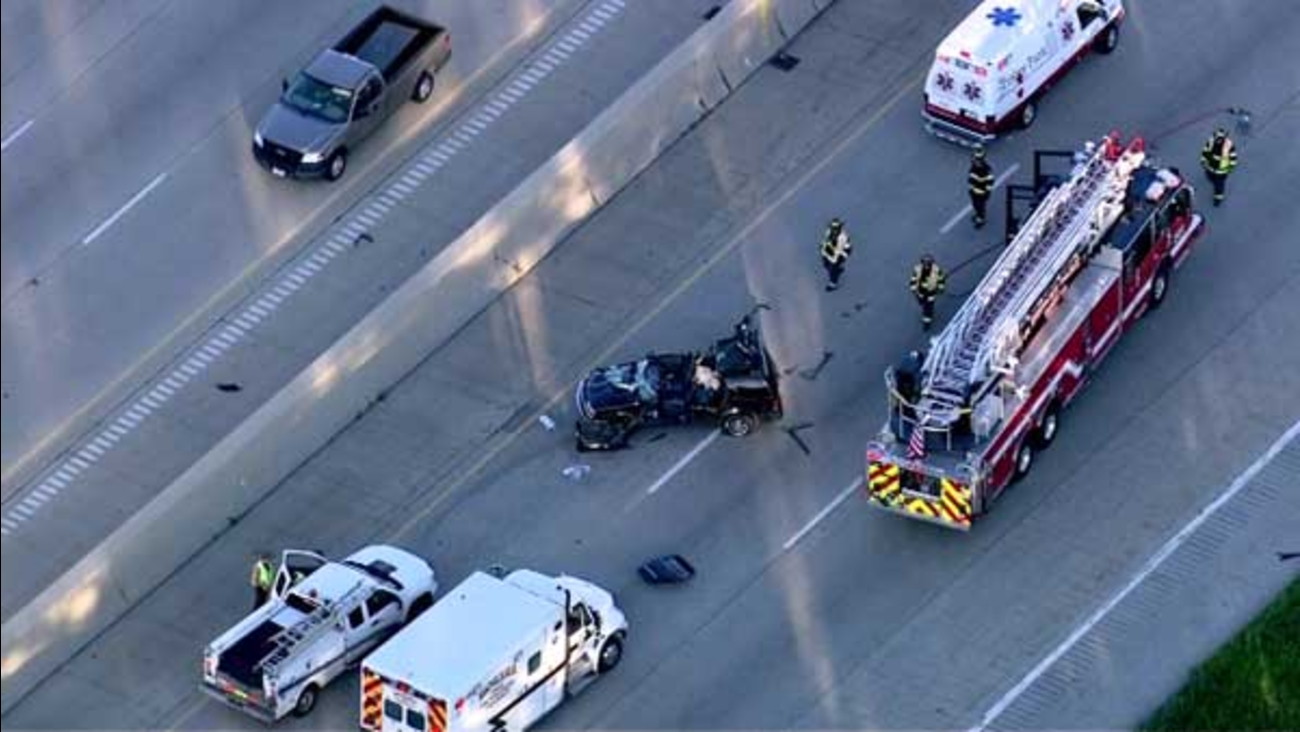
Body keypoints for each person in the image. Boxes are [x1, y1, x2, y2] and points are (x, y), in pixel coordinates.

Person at [1200, 127, 1238, 206]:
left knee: (1219, 186)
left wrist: (1230, 168)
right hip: (1210, 167)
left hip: (1221, 171)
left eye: (1220, 139)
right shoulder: (1211, 141)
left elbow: (1233, 157)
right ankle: (1213, 180)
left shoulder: (1229, 145)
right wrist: (1203, 160)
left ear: (1224, 138)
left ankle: (1218, 199)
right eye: (1217, 138)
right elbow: (1205, 151)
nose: (1218, 140)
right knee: (1209, 178)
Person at [910, 254, 948, 332]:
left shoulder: (936, 270)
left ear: (931, 263)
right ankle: (927, 311)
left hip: (931, 293)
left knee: (928, 309)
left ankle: (927, 322)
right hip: (920, 292)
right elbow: (913, 279)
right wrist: (913, 289)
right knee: (922, 303)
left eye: (928, 264)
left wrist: (941, 288)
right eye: (925, 263)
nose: (927, 266)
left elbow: (941, 280)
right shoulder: (917, 269)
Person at [820, 218, 852, 291]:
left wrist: (841, 257)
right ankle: (838, 269)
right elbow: (826, 240)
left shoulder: (843, 237)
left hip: (839, 254)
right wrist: (823, 247)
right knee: (826, 265)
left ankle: (833, 284)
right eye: (833, 228)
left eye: (836, 228)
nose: (834, 230)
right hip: (828, 251)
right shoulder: (829, 231)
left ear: (840, 228)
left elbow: (845, 250)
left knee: (833, 268)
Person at [968, 145, 995, 228]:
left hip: (981, 193)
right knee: (975, 205)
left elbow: (990, 182)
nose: (973, 161)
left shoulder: (986, 170)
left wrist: (987, 193)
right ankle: (978, 215)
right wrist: (971, 188)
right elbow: (971, 178)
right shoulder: (973, 167)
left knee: (980, 207)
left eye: (975, 160)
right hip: (974, 191)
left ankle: (981, 220)